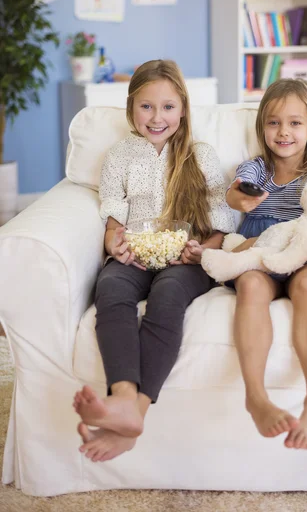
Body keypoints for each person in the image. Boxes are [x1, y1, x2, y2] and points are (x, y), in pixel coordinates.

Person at [73, 59, 235, 462]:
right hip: (137, 252)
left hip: (187, 260)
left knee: (167, 296)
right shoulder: (121, 154)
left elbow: (219, 222)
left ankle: (135, 411)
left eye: (167, 107)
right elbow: (113, 217)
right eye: (146, 107)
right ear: (131, 109)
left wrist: (203, 250)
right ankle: (123, 395)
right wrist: (115, 245)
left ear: (183, 108)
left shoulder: (201, 155)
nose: (157, 117)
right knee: (109, 288)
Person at [226, 78, 307, 451]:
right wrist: (242, 199)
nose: (283, 131)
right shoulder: (257, 168)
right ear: (263, 128)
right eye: (273, 123)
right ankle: (255, 397)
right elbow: (236, 191)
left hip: (302, 251)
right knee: (252, 286)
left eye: (294, 123)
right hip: (259, 249)